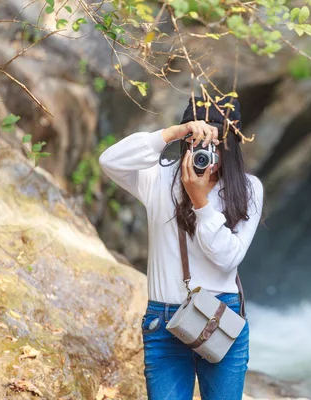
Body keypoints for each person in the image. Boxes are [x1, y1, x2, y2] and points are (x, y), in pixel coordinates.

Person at [98, 96, 264, 400]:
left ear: (232, 144)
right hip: (164, 319)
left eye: (216, 141)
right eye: (197, 138)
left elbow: (229, 259)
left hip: (222, 317)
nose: (206, 150)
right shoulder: (158, 177)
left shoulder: (248, 188)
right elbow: (110, 161)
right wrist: (173, 132)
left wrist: (200, 202)